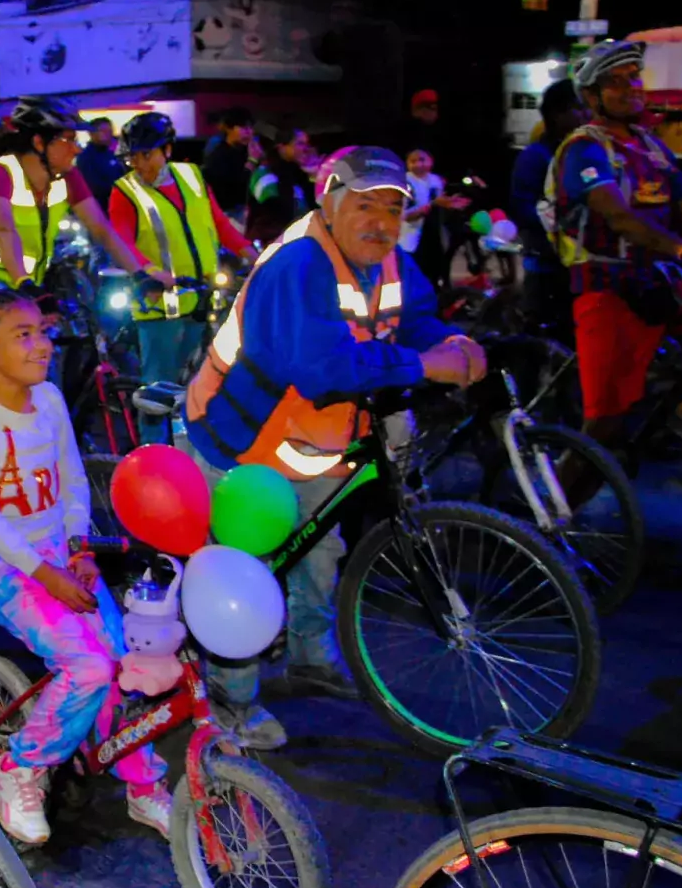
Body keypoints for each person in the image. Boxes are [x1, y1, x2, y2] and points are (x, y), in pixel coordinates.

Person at [184, 147, 487, 749]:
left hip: (318, 445)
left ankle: (308, 657)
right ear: (329, 202)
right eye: (364, 205)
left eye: (393, 208)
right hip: (245, 443)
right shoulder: (298, 265)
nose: (380, 221)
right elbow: (322, 368)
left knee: (321, 556)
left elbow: (416, 319)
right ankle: (229, 702)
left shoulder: (390, 262)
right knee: (245, 575)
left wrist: (453, 343)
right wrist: (428, 365)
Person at [0, 290, 171, 845]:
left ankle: (142, 785)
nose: (43, 344)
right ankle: (20, 768)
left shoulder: (47, 399)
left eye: (42, 331)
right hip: (4, 566)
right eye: (22, 334)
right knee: (88, 667)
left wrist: (79, 548)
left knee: (122, 663)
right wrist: (48, 575)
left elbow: (71, 480)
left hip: (59, 557)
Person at [550, 39, 682, 450]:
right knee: (604, 429)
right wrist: (681, 249)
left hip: (656, 280)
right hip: (606, 288)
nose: (631, 88)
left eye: (634, 77)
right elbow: (619, 217)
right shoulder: (584, 149)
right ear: (591, 96)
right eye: (615, 82)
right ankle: (551, 513)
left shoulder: (652, 148)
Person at [106, 112, 252, 442]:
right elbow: (121, 241)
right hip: (160, 306)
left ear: (167, 150)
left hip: (202, 299)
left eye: (145, 155)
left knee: (201, 386)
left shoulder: (192, 176)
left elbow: (218, 223)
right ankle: (152, 463)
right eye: (132, 157)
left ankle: (194, 457)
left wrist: (253, 255)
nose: (138, 164)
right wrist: (148, 270)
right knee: (157, 394)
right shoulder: (124, 191)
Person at [0, 95, 148, 311]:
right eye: (68, 140)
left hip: (29, 279)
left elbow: (101, 229)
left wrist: (139, 275)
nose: (77, 149)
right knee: (14, 319)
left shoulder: (68, 176)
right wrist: (23, 283)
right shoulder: (0, 173)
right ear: (39, 143)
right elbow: (4, 230)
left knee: (75, 317)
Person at [509, 80, 586, 333]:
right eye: (578, 107)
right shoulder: (536, 156)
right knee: (539, 340)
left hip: (579, 264)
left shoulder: (584, 153)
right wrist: (562, 226)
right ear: (557, 114)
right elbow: (523, 207)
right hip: (546, 263)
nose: (585, 114)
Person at [400, 149, 470, 288]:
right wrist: (432, 205)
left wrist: (450, 202)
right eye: (413, 161)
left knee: (435, 272)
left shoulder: (435, 180)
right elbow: (406, 215)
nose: (418, 164)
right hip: (412, 236)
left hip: (434, 234)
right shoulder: (404, 183)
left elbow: (439, 202)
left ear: (431, 162)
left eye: (422, 160)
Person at [246, 127, 316, 243]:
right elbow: (277, 211)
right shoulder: (264, 173)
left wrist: (314, 177)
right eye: (300, 144)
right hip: (270, 244)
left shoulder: (298, 174)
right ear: (282, 147)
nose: (305, 149)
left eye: (307, 144)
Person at [201, 107, 255, 223]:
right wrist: (252, 161)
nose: (248, 132)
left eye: (250, 128)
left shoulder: (247, 150)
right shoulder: (218, 155)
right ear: (229, 129)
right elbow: (233, 187)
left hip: (245, 214)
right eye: (243, 128)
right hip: (227, 215)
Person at [75, 117, 126, 214]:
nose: (108, 134)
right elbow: (94, 186)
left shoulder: (118, 150)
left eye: (109, 131)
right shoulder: (86, 158)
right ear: (91, 134)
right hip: (102, 209)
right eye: (102, 131)